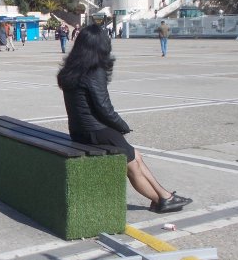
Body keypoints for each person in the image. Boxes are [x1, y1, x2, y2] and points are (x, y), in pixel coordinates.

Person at [57, 23, 192, 214]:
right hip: (97, 131)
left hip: (79, 132)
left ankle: (165, 196)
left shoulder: (70, 70)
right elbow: (105, 108)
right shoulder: (94, 70)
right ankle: (161, 199)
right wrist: (122, 126)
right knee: (132, 166)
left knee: (136, 156)